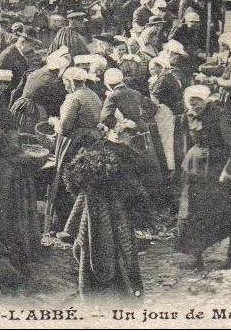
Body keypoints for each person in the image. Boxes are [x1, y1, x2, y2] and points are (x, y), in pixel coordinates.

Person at [64, 133, 151, 300]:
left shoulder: (90, 190)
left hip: (99, 245)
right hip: (113, 239)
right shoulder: (114, 190)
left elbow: (77, 241)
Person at [176, 86, 231, 270]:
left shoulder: (221, 115)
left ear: (206, 100)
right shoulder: (186, 117)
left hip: (219, 167)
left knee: (225, 209)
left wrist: (229, 170)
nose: (195, 107)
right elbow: (183, 143)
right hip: (196, 169)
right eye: (191, 103)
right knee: (193, 211)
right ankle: (196, 253)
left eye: (198, 102)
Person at [0, 86, 39, 264]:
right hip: (18, 171)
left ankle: (6, 255)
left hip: (3, 174)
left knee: (2, 213)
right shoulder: (7, 118)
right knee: (17, 213)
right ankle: (22, 251)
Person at [46, 66, 103, 234]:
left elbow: (64, 128)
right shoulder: (93, 96)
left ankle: (67, 225)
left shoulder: (74, 98)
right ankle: (83, 224)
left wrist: (53, 122)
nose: (64, 85)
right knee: (86, 181)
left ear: (70, 82)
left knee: (68, 180)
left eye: (65, 82)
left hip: (76, 143)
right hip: (93, 140)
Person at [100, 68, 165, 192]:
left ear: (108, 84)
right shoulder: (135, 92)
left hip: (127, 133)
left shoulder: (112, 96)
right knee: (147, 161)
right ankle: (155, 195)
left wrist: (119, 125)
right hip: (142, 129)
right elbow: (153, 107)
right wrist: (139, 120)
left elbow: (104, 117)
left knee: (130, 164)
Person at [10, 50, 70, 134]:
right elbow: (56, 106)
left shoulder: (32, 73)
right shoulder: (54, 82)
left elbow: (16, 92)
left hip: (19, 106)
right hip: (34, 113)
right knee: (31, 137)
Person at [0, 25, 40, 95]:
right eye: (32, 46)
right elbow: (0, 86)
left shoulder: (20, 53)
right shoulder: (7, 56)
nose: (33, 49)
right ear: (23, 42)